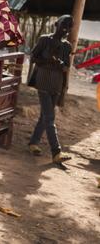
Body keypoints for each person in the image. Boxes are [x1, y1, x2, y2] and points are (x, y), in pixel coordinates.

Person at [28, 15, 73, 164]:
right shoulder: (45, 40)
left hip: (56, 85)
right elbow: (33, 57)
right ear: (56, 24)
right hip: (43, 82)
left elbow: (67, 67)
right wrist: (47, 61)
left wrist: (61, 65)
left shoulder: (67, 46)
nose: (65, 29)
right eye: (63, 25)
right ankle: (56, 152)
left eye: (68, 27)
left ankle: (33, 143)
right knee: (50, 118)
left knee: (45, 117)